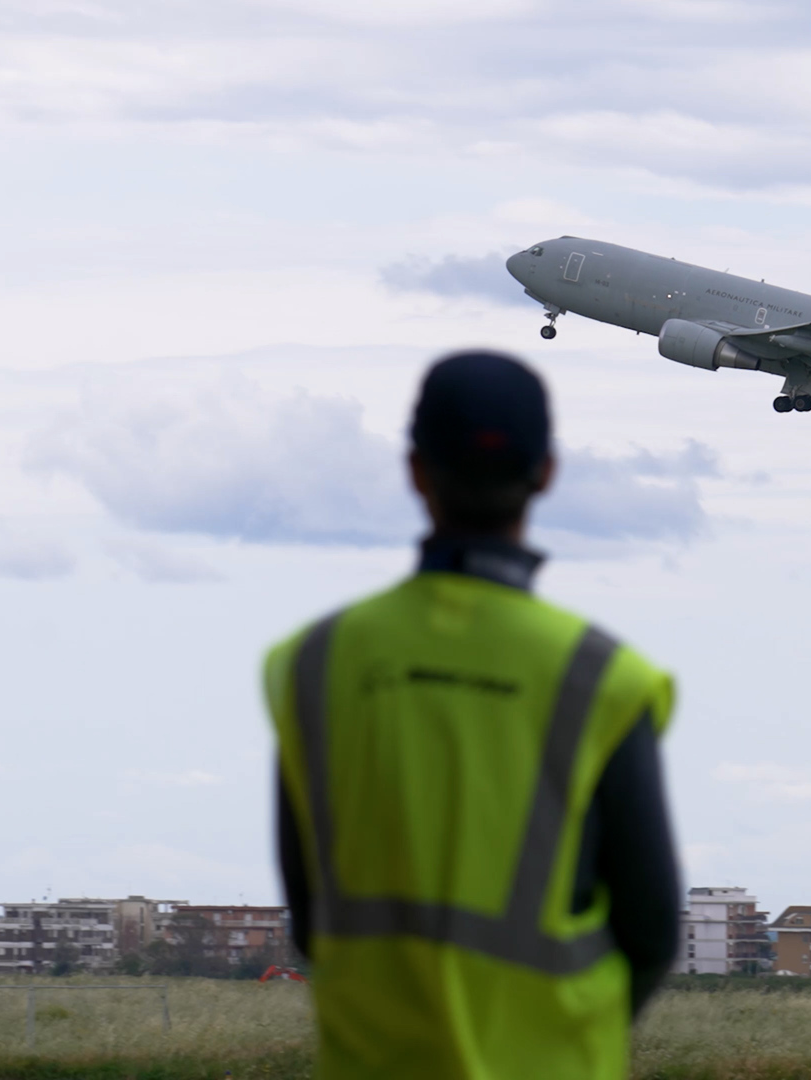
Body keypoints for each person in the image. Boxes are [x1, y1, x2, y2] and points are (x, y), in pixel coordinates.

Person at [265, 351, 680, 1079]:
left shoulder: (317, 663)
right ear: (546, 472)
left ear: (415, 471)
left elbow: (310, 916)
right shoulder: (602, 677)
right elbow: (650, 930)